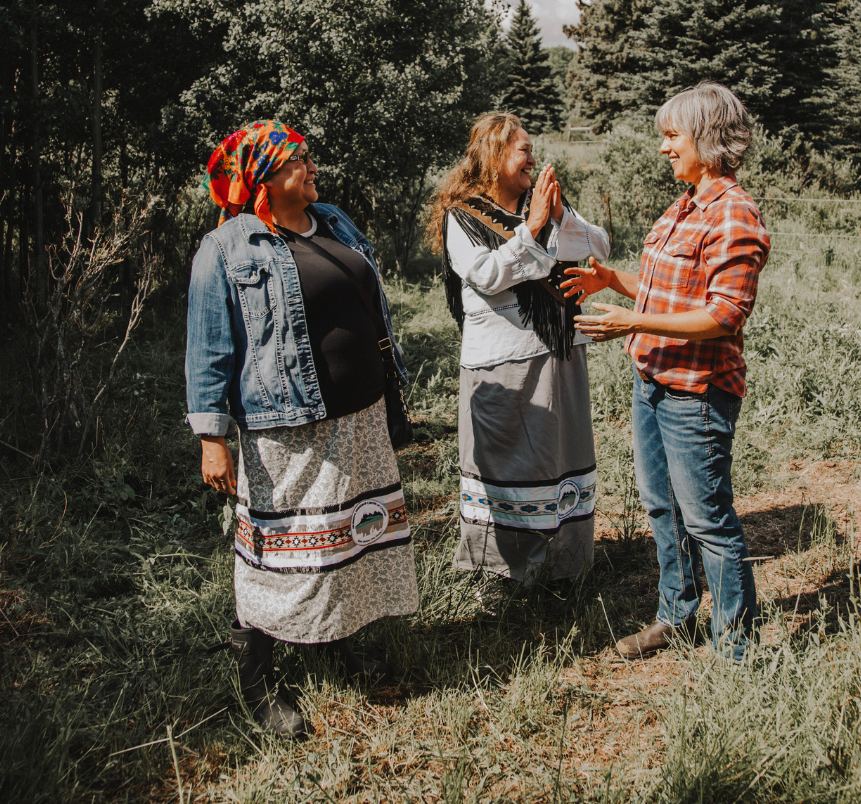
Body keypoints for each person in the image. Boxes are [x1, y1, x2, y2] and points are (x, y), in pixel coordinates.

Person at [186, 120, 418, 736]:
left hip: (361, 415)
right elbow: (208, 348)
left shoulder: (335, 221)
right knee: (276, 551)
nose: (312, 167)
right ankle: (257, 679)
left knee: (350, 536)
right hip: (286, 426)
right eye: (298, 160)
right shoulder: (228, 248)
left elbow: (370, 307)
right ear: (264, 174)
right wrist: (212, 438)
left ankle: (338, 638)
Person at [563, 83, 769, 660]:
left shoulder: (733, 215)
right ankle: (675, 615)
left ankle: (737, 647)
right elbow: (668, 293)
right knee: (661, 505)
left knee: (707, 519)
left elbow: (724, 315)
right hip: (653, 379)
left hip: (696, 393)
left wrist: (633, 321)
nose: (664, 148)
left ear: (707, 138)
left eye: (672, 136)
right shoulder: (683, 205)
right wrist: (615, 282)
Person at [427, 113, 612, 589]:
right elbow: (487, 275)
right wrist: (530, 231)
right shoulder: (463, 216)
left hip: (560, 349)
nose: (533, 157)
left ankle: (565, 566)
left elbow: (600, 247)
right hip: (502, 357)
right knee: (512, 458)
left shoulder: (543, 203)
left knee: (561, 454)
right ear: (492, 156)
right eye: (522, 149)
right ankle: (505, 574)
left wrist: (559, 218)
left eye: (532, 148)